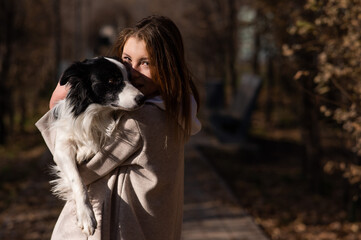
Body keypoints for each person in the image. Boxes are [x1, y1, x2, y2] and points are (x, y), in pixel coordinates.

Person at [36, 15, 201, 240]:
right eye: (126, 59)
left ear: (167, 66)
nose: (132, 72)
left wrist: (55, 106)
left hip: (116, 230)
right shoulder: (175, 109)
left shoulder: (139, 120)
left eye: (146, 62)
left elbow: (82, 169)